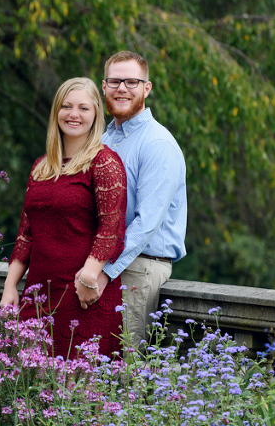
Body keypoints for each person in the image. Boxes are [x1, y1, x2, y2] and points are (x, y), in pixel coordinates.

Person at [0, 77, 127, 359]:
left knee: (78, 393)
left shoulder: (104, 162)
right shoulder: (41, 166)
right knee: (31, 388)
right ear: (56, 111)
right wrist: (10, 286)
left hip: (82, 294)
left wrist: (90, 276)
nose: (74, 114)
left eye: (83, 108)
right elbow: (26, 233)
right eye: (67, 106)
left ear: (95, 114)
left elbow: (111, 227)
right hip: (38, 292)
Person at [77, 50, 187, 350]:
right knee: (88, 365)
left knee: (124, 371)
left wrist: (103, 274)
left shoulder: (158, 144)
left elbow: (146, 224)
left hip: (138, 266)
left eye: (131, 81)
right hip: (99, 264)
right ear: (103, 86)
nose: (122, 88)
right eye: (115, 81)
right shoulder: (102, 139)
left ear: (146, 88)